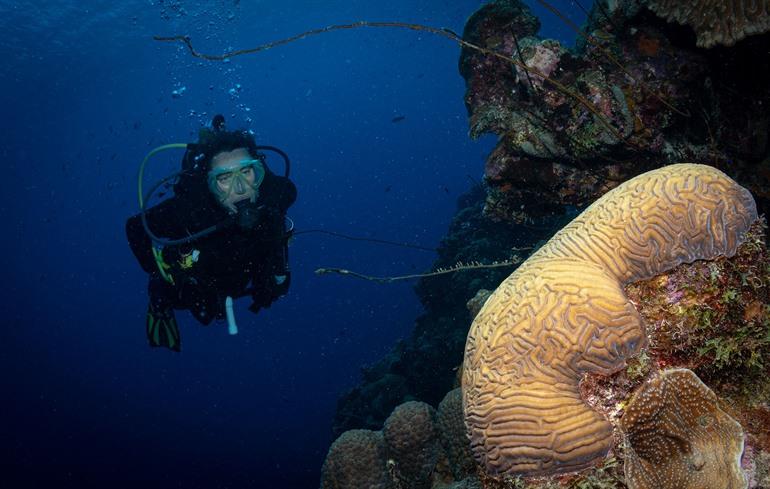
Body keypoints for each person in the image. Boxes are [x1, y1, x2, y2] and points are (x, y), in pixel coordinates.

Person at [126, 115, 297, 351]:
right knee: (188, 303)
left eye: (247, 172)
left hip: (244, 267)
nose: (240, 189)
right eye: (224, 178)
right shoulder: (191, 209)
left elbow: (286, 196)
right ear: (209, 183)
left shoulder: (275, 195)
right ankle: (160, 302)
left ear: (259, 172)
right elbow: (135, 228)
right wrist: (158, 273)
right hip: (199, 274)